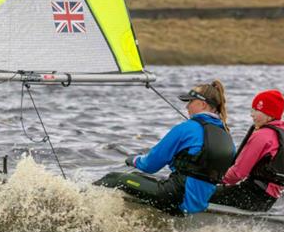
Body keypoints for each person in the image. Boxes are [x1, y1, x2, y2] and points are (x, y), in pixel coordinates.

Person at [95, 80, 235, 215]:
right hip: (199, 202)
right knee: (137, 177)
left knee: (115, 178)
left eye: (190, 101)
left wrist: (134, 160)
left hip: (176, 198)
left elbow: (150, 165)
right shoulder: (227, 135)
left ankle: (78, 207)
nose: (187, 107)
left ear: (203, 104)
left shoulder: (188, 128)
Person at [211, 89, 284, 212]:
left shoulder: (262, 135)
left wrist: (211, 179)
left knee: (198, 192)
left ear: (269, 113)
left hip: (250, 195)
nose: (251, 114)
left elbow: (237, 174)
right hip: (268, 200)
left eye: (256, 110)